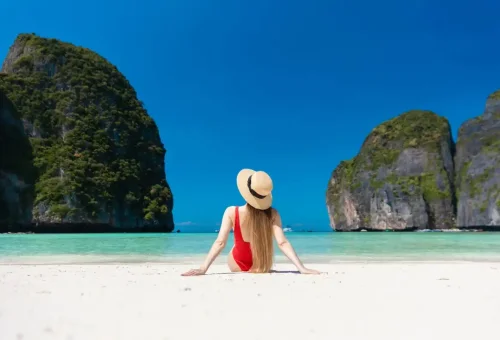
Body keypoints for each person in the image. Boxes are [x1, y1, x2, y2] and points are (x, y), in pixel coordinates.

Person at [181, 169, 320, 276]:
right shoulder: (273, 214)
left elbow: (220, 243)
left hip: (237, 265)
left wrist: (203, 268)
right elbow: (282, 243)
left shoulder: (231, 212)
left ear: (247, 190)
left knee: (234, 246)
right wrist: (301, 268)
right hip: (261, 266)